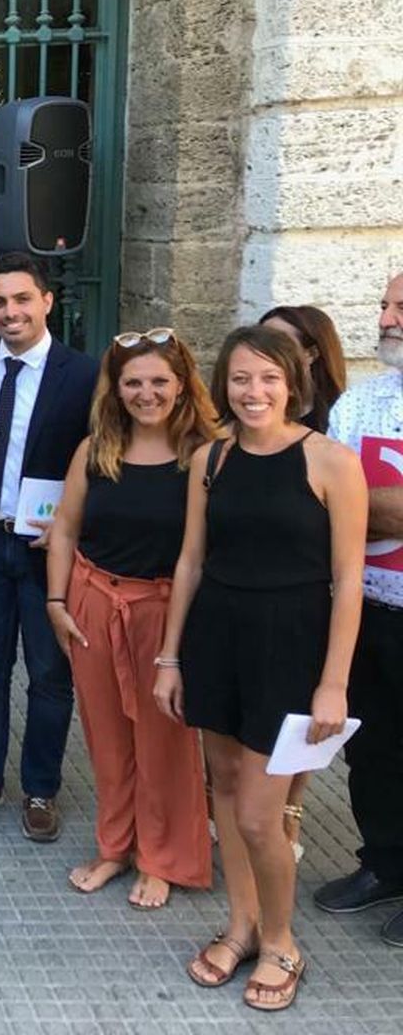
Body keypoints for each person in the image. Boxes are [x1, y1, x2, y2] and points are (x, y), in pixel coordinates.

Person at [156, 325, 365, 1011]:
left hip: (291, 645)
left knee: (257, 816)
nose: (254, 391)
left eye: (268, 377)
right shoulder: (210, 460)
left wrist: (334, 681)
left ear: (293, 383)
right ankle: (242, 926)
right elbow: (190, 560)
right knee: (224, 790)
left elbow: (348, 578)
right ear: (225, 384)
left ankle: (283, 941)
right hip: (217, 635)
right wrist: (169, 657)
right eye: (241, 378)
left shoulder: (331, 461)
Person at [45, 329, 216, 909]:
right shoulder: (95, 450)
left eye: (159, 381)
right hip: (93, 602)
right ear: (115, 390)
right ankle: (115, 845)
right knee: (108, 737)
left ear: (181, 384)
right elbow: (65, 529)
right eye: (134, 382)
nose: (147, 393)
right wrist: (57, 603)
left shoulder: (205, 455)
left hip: (165, 612)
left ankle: (163, 858)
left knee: (165, 739)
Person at [0, 253, 98, 840]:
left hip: (46, 551)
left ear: (46, 301)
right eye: (0, 302)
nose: (11, 312)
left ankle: (41, 789)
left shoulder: (82, 375)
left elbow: (98, 463)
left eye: (22, 300)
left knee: (49, 675)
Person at [314, 271, 403, 947]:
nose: (389, 317)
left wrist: (361, 508)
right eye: (385, 304)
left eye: (401, 306)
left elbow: (354, 506)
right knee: (370, 748)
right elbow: (330, 507)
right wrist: (363, 509)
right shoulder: (356, 406)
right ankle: (383, 865)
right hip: (365, 605)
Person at [258, 303, 347, 859]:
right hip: (249, 584)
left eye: (280, 344)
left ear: (310, 353)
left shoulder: (338, 423)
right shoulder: (246, 414)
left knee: (302, 709)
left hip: (311, 591)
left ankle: (290, 805)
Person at [260, 304, 346, 434]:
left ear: (311, 354)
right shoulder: (242, 413)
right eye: (260, 342)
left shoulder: (342, 421)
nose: (263, 352)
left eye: (278, 344)